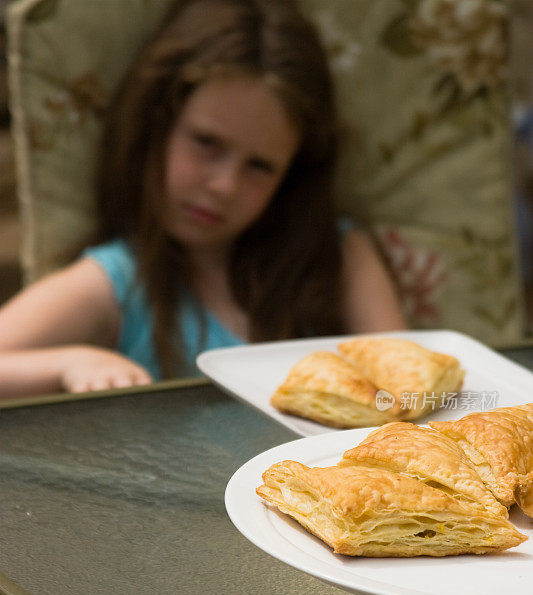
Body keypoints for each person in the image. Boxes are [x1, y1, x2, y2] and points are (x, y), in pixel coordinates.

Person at [0, 0, 406, 399]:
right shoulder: (122, 282)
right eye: (206, 143)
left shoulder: (338, 257)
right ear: (155, 124)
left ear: (292, 175)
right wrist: (71, 363)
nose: (224, 185)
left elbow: (409, 384)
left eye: (260, 166)